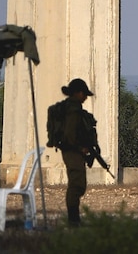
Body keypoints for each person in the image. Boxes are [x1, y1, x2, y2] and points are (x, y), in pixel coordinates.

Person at [59, 78, 97, 226]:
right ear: (78, 93)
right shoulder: (72, 111)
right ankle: (73, 219)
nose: (85, 97)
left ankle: (74, 218)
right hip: (72, 151)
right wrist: (81, 148)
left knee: (79, 184)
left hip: (74, 151)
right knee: (76, 185)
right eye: (83, 94)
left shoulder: (74, 109)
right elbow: (70, 135)